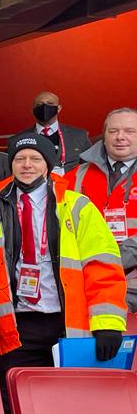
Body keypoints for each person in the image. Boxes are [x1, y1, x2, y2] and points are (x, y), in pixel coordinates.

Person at [0, 133, 126, 379]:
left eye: (35, 159)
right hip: (16, 325)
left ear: (48, 165)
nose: (27, 165)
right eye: (20, 159)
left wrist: (108, 323)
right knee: (17, 400)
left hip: (67, 323)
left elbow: (102, 267)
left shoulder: (77, 205)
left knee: (71, 399)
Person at [66, 108, 137, 313]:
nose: (120, 137)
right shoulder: (76, 175)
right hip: (86, 277)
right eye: (113, 131)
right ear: (103, 136)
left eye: (129, 131)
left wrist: (113, 260)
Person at [16, 91, 91, 174]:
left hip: (70, 185)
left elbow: (90, 167)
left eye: (50, 104)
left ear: (59, 108)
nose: (44, 107)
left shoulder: (79, 136)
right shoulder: (19, 139)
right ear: (33, 110)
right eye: (39, 105)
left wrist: (64, 172)